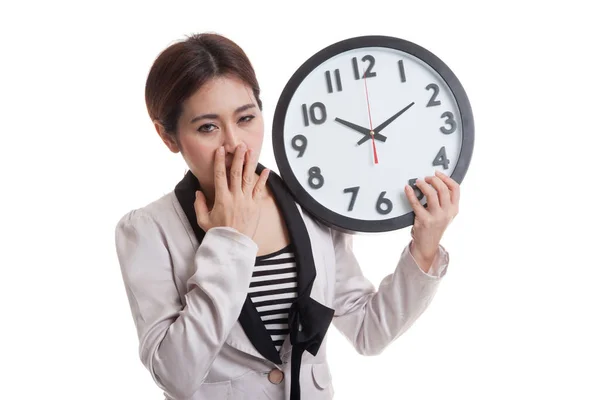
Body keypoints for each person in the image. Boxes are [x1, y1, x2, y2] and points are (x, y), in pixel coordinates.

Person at [114, 32, 460, 400]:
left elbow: (368, 331)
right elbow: (175, 374)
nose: (234, 144)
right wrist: (229, 242)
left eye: (246, 117)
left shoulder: (313, 204)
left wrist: (424, 249)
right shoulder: (148, 230)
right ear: (168, 137)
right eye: (208, 127)